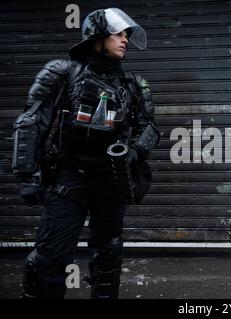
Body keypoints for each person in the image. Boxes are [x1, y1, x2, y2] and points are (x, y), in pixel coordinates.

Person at [12, 8, 160, 299]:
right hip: (69, 179)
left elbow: (150, 127)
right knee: (49, 258)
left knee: (108, 258)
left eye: (127, 35)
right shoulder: (62, 72)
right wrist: (28, 175)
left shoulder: (133, 84)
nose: (125, 40)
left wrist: (135, 152)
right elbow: (32, 121)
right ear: (97, 37)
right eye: (118, 34)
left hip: (111, 180)